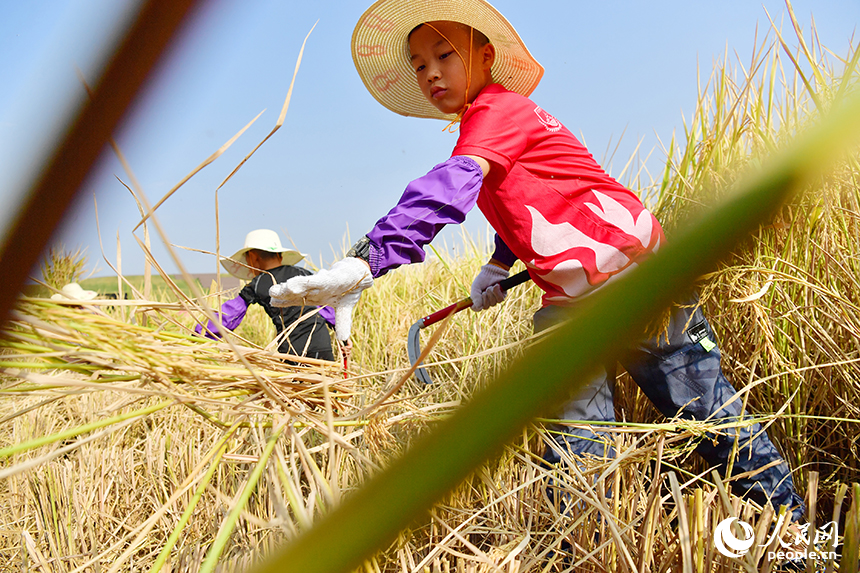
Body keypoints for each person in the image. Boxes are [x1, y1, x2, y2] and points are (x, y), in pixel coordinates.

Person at [268, 0, 805, 524]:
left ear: (483, 54)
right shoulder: (482, 130)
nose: (431, 73)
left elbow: (450, 187)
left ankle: (799, 536)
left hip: (638, 279)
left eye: (444, 55)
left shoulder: (499, 113)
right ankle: (587, 549)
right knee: (576, 447)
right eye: (420, 65)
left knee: (706, 413)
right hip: (571, 302)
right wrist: (498, 266)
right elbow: (535, 202)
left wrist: (368, 259)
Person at [196, 229, 346, 361]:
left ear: (253, 258)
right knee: (326, 390)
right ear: (280, 256)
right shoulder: (303, 274)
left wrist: (201, 333)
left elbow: (230, 313)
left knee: (293, 391)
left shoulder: (259, 283)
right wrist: (343, 336)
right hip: (322, 345)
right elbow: (325, 308)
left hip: (293, 351)